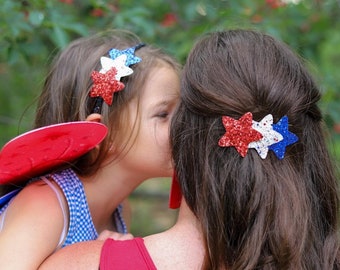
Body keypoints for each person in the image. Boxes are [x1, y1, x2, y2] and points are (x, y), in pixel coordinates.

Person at [39, 29, 340, 269]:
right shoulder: (47, 204)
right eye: (163, 114)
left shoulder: (81, 259)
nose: (174, 129)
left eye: (177, 114)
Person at [0, 29, 180, 269]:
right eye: (163, 114)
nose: (183, 124)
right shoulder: (47, 204)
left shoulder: (119, 210)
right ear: (104, 134)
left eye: (181, 111)